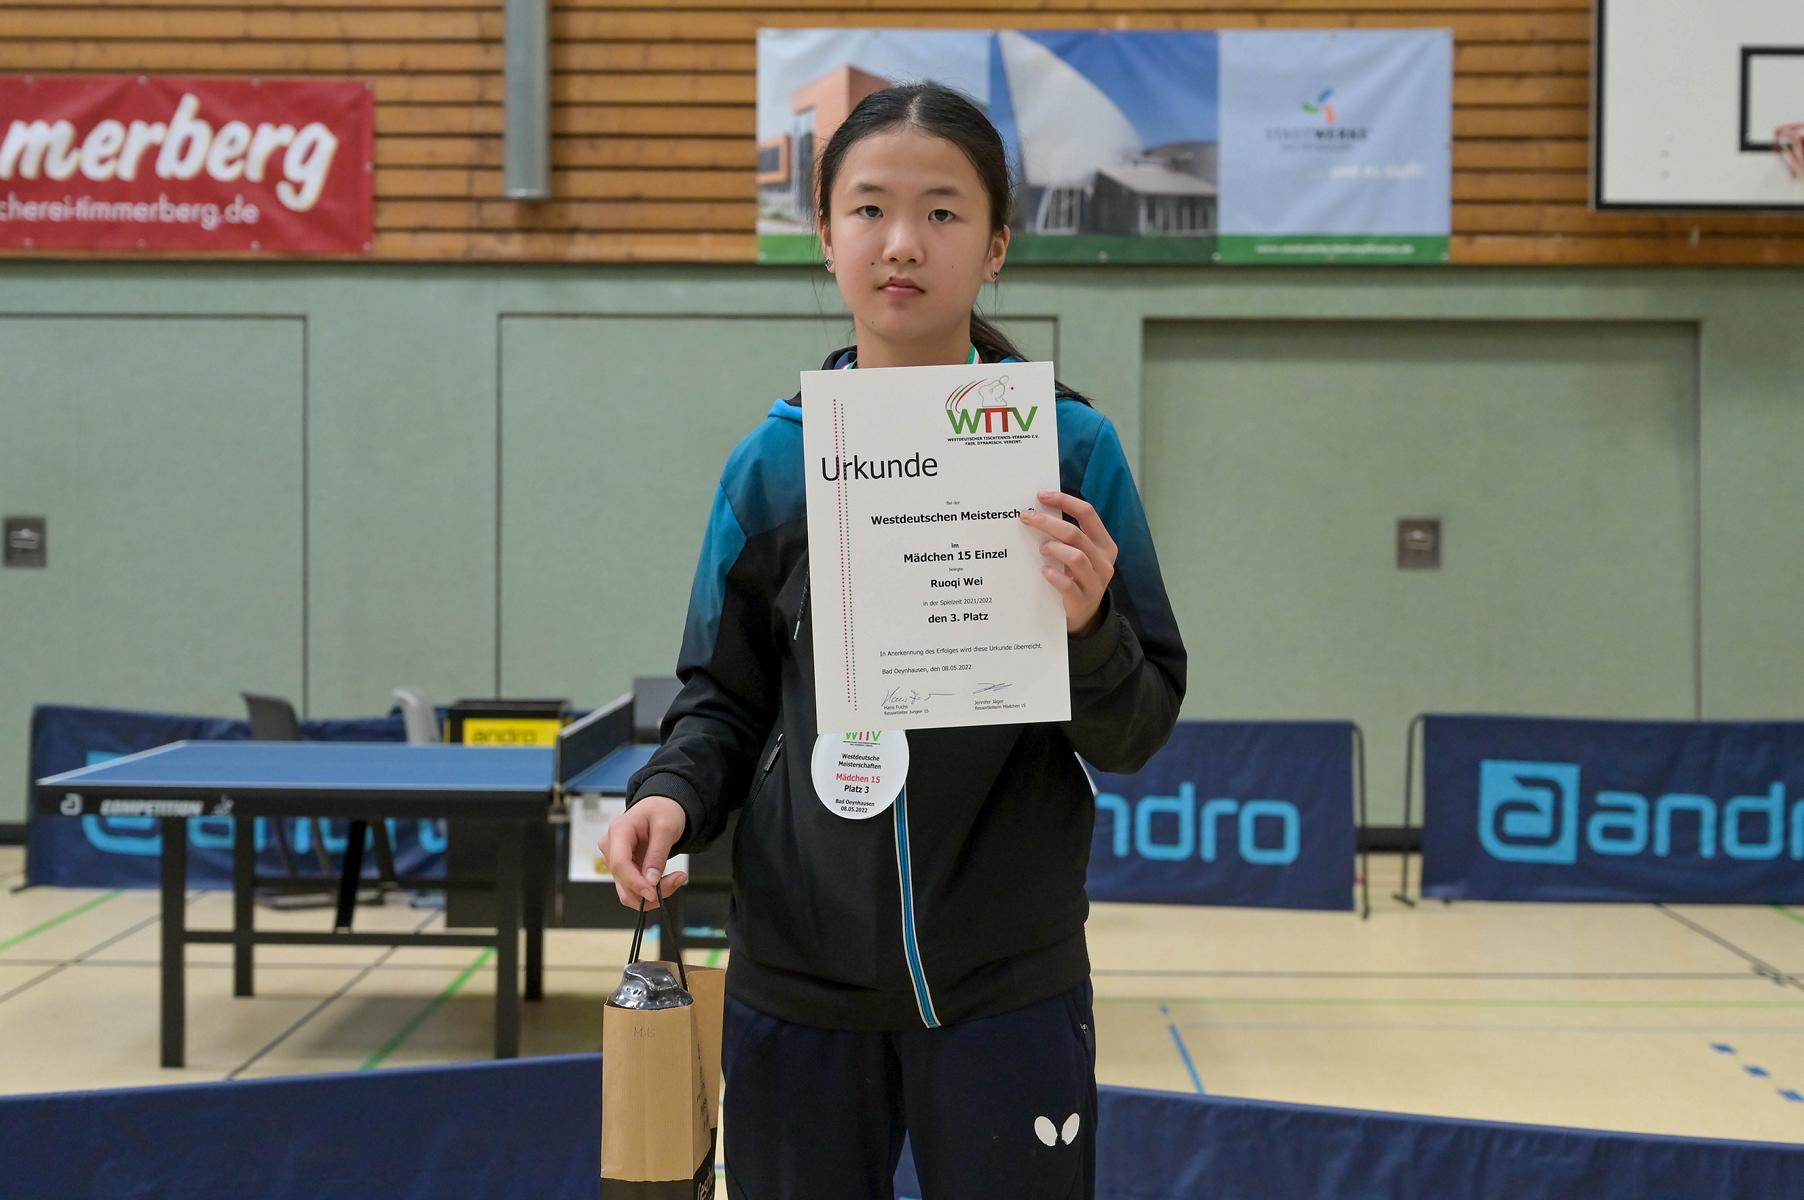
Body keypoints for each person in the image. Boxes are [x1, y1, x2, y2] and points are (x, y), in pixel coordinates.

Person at [603, 82, 1186, 1200]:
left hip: (1008, 992)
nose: (903, 242)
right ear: (825, 237)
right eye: (868, 209)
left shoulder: (1068, 451)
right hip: (795, 984)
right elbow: (722, 699)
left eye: (943, 212)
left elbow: (1136, 728)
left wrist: (1087, 628)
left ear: (997, 245)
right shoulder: (771, 467)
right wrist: (670, 795)